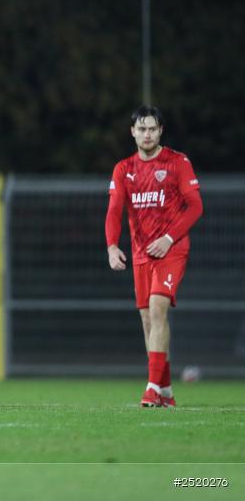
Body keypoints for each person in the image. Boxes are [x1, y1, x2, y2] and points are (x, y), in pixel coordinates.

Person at [105, 105, 202, 408]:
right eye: (141, 129)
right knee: (148, 321)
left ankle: (151, 389)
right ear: (133, 132)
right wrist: (111, 246)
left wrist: (169, 238)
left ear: (161, 131)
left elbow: (196, 206)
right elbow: (114, 210)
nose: (147, 134)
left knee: (158, 310)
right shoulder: (124, 169)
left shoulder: (177, 162)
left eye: (152, 129)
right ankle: (167, 391)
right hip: (140, 253)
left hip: (172, 250)